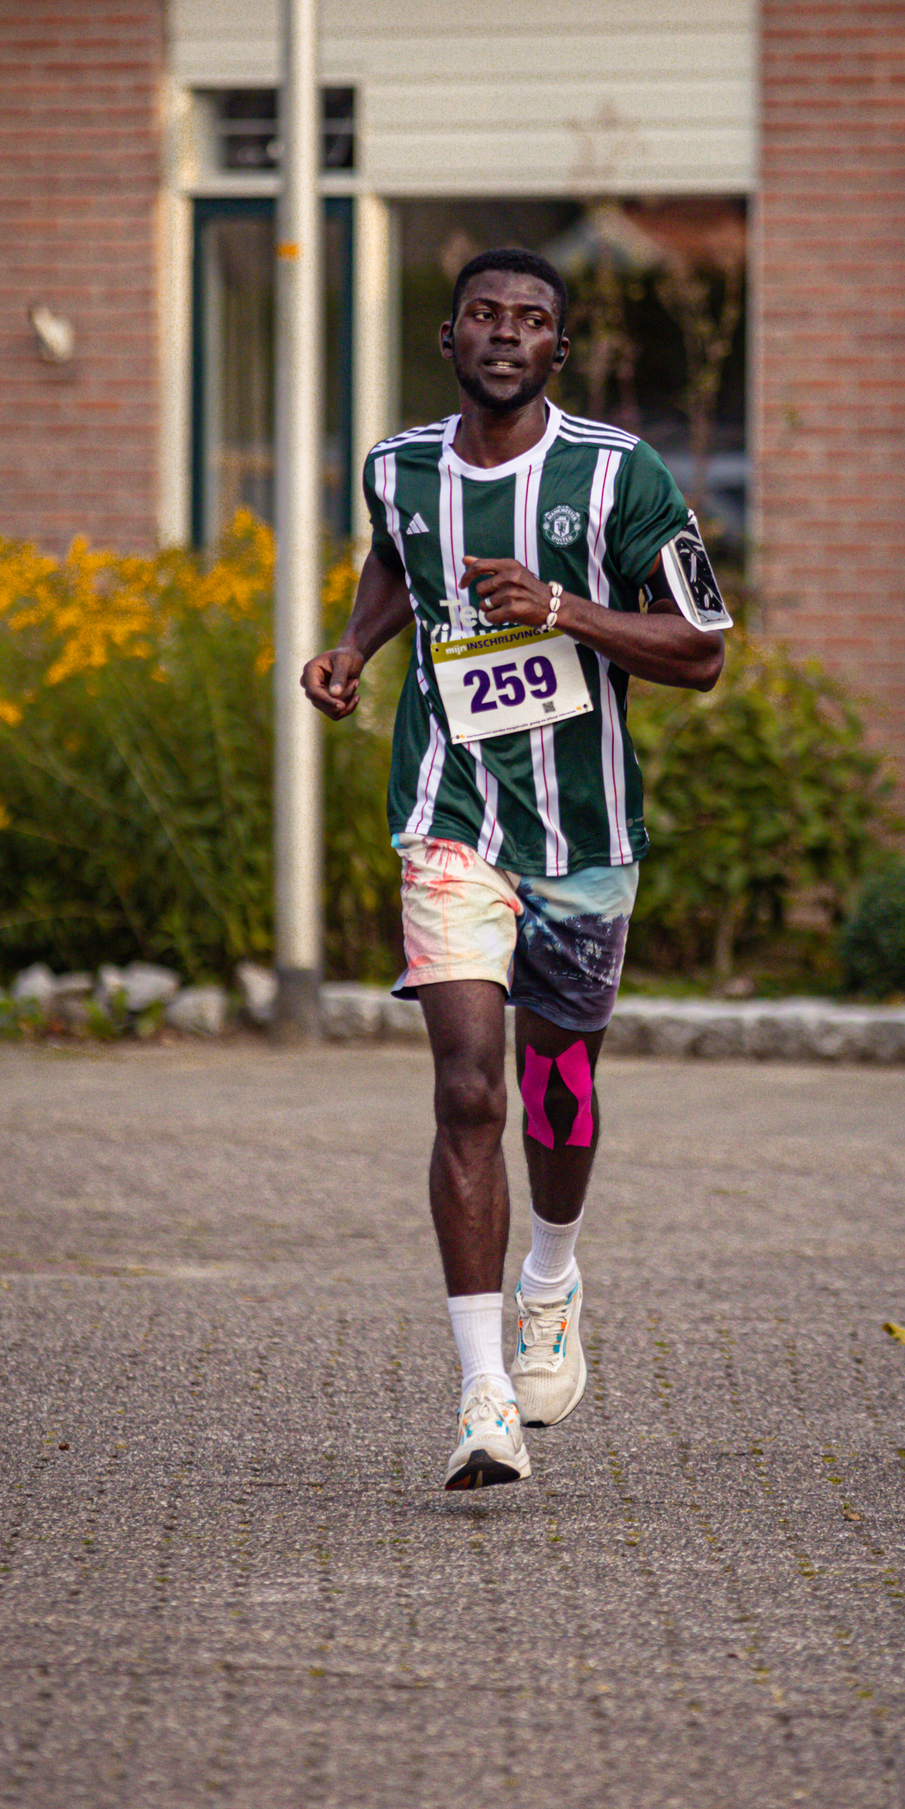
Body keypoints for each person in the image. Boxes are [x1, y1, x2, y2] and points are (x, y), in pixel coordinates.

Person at [302, 248, 731, 1490]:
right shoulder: (397, 469)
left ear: (559, 347)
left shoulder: (617, 474)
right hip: (447, 818)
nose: (505, 333)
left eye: (530, 319)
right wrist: (353, 648)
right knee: (466, 1091)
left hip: (582, 835)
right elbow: (400, 559)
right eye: (483, 315)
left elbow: (701, 651)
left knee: (555, 1083)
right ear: (448, 339)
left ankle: (552, 1274)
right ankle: (481, 1393)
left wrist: (561, 610)